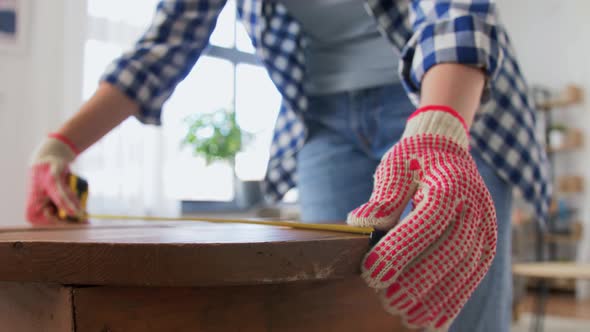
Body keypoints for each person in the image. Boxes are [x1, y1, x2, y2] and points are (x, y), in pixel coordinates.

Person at [26, 1, 550, 331]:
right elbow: (164, 45)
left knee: (454, 307)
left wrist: (439, 126)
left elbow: (455, 12)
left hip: (452, 98)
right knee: (339, 306)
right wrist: (59, 146)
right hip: (324, 120)